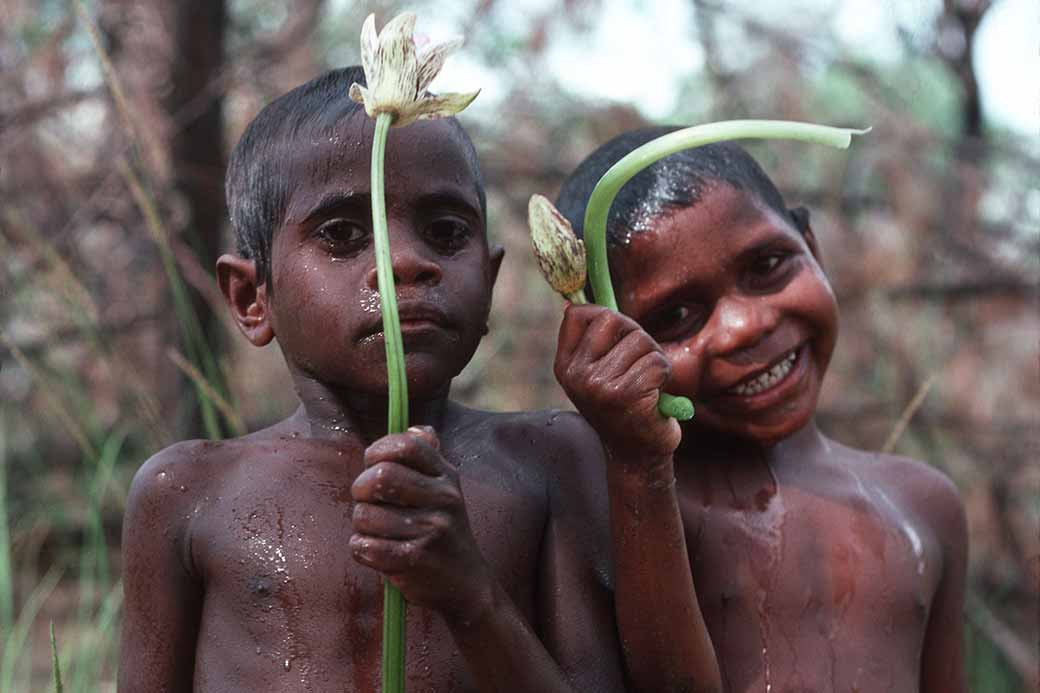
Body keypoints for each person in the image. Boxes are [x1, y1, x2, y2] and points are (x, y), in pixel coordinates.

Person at [117, 67, 629, 692]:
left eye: (446, 232)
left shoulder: (550, 461)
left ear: (490, 284)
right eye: (341, 235)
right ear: (253, 298)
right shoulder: (187, 491)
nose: (406, 262)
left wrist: (471, 596)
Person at [553, 130, 968, 693]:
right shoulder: (612, 507)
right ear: (609, 340)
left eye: (769, 265)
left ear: (812, 248)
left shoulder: (923, 504)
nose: (744, 326)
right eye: (676, 316)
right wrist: (639, 465)